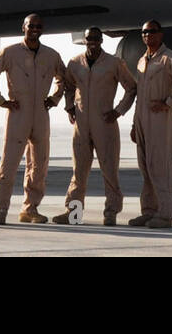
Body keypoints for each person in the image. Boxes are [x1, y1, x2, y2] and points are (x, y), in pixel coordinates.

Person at [0, 13, 67, 224]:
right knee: (9, 164)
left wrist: (55, 98)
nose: (35, 29)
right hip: (17, 113)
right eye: (31, 26)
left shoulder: (51, 55)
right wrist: (1, 100)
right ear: (24, 27)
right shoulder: (10, 52)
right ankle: (0, 209)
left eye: (39, 26)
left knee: (39, 165)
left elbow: (64, 79)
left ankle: (30, 209)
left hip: (41, 113)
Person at [53, 27, 137, 226]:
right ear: (85, 40)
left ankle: (111, 213)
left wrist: (118, 111)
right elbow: (68, 85)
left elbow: (131, 87)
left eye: (96, 39)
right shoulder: (75, 63)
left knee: (109, 171)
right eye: (89, 38)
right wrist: (69, 107)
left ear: (101, 40)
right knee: (79, 172)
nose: (92, 42)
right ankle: (73, 214)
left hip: (105, 123)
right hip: (81, 124)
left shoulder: (114, 63)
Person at [128, 20, 172, 228]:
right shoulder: (143, 60)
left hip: (160, 119)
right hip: (142, 119)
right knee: (145, 168)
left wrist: (169, 103)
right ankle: (149, 211)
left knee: (160, 167)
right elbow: (140, 95)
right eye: (144, 32)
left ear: (161, 34)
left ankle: (165, 214)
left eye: (152, 32)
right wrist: (134, 124)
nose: (148, 35)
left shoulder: (170, 59)